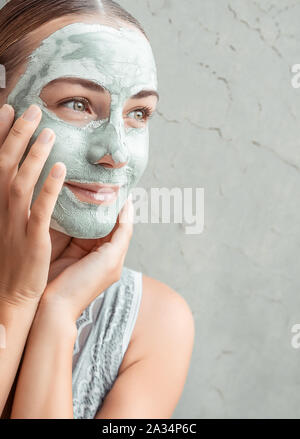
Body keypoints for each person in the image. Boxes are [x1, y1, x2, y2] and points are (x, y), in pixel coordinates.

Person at [0, 0, 195, 419]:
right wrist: (15, 299)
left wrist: (58, 313)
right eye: (77, 104)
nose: (117, 154)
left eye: (138, 113)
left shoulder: (156, 323)